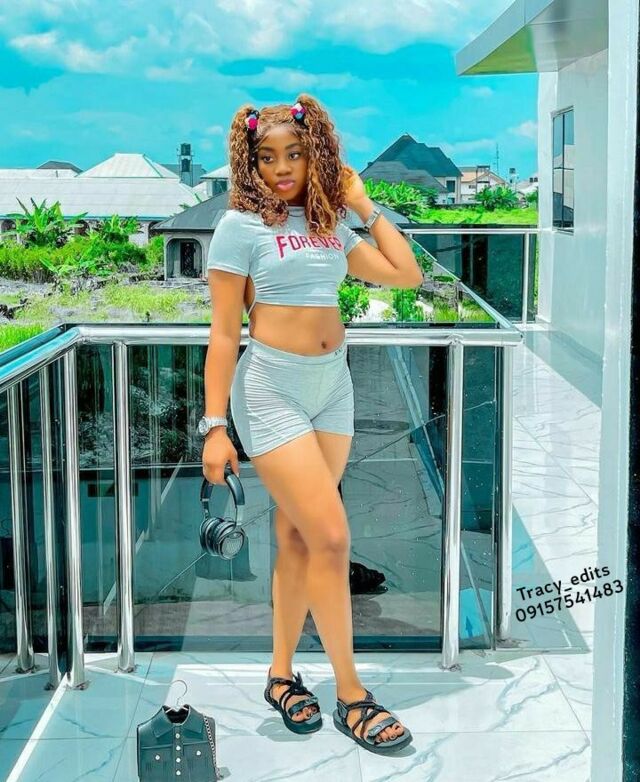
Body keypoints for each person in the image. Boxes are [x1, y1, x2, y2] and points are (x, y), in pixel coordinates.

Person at [201, 93, 423, 754]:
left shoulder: (329, 224)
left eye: (294, 154)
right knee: (331, 536)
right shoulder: (238, 227)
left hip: (333, 388)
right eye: (267, 157)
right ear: (249, 162)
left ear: (314, 154)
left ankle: (280, 675)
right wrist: (215, 426)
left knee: (299, 534)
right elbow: (222, 334)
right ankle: (352, 695)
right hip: (271, 388)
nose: (281, 168)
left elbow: (406, 275)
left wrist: (363, 204)